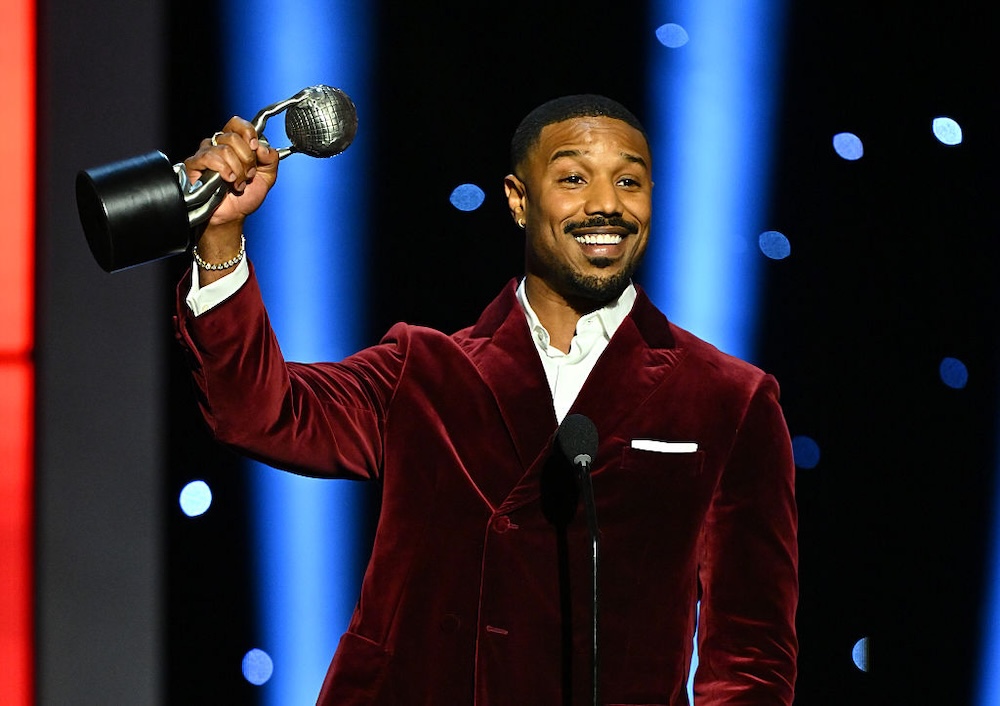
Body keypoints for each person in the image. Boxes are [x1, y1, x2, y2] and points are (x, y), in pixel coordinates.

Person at [175, 94, 798, 705]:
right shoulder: (422, 371)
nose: (606, 205)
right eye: (574, 178)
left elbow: (751, 657)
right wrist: (221, 239)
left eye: (629, 183)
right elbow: (261, 413)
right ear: (518, 200)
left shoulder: (729, 399)